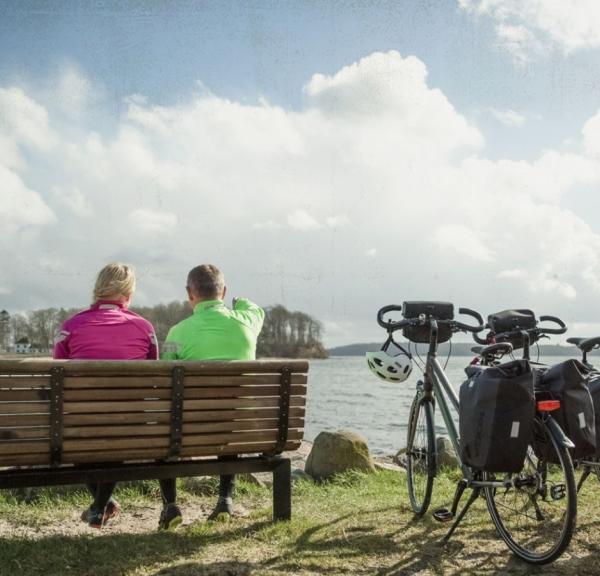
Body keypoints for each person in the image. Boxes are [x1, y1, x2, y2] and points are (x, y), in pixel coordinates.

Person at [53, 262, 182, 530]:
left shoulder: (70, 326)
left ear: (97, 290)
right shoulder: (143, 327)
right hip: (129, 422)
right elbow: (153, 376)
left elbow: (59, 376)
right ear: (129, 293)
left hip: (81, 423)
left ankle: (102, 505)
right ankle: (102, 505)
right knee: (118, 424)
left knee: (85, 431)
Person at [161, 264, 265, 520]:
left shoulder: (177, 332)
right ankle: (225, 499)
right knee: (230, 414)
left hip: (190, 427)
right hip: (240, 426)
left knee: (167, 425)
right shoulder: (247, 323)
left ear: (190, 293)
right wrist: (239, 301)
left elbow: (163, 373)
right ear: (224, 291)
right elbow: (256, 310)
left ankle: (170, 506)